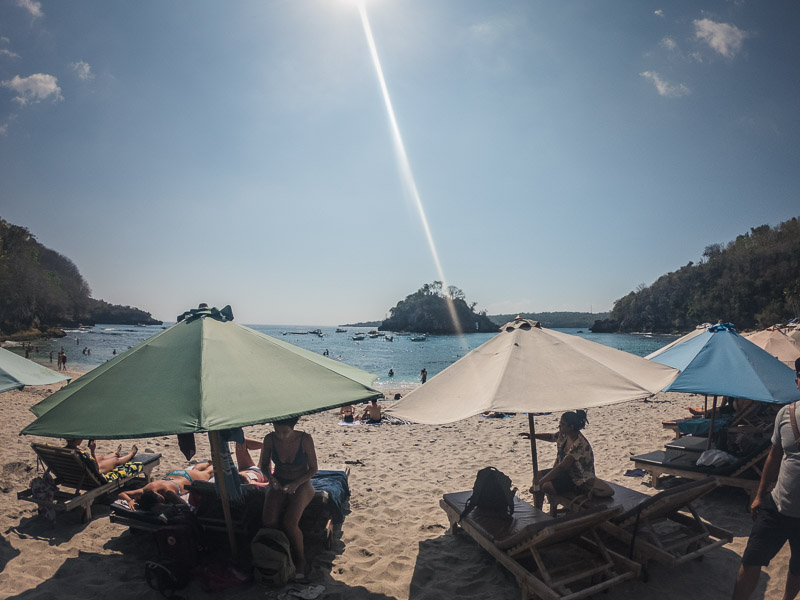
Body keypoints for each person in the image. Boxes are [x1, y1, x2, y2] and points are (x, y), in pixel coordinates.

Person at [731, 359, 800, 600]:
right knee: (751, 559)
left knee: (798, 567)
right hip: (778, 506)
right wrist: (760, 495)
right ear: (798, 382)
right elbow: (774, 456)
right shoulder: (786, 413)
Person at [260, 417, 318, 578]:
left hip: (302, 482)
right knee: (268, 521)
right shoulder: (270, 439)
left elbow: (313, 469)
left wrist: (297, 484)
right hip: (278, 480)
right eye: (278, 431)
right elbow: (263, 465)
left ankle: (301, 560)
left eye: (285, 432)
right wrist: (272, 479)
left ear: (293, 427)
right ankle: (281, 552)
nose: (281, 436)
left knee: (290, 522)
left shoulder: (304, 439)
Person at [520, 410, 595, 497]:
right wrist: (532, 436)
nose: (559, 426)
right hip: (566, 473)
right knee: (538, 475)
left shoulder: (579, 445)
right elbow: (551, 437)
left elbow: (562, 467)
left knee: (546, 486)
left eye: (562, 424)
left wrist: (540, 483)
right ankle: (537, 509)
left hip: (579, 479)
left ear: (571, 427)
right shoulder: (564, 435)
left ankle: (554, 505)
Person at [117, 461, 214, 511]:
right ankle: (207, 463)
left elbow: (183, 505)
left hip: (187, 478)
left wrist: (163, 507)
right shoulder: (145, 490)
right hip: (175, 474)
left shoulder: (167, 492)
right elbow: (122, 494)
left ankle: (211, 463)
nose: (163, 501)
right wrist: (129, 500)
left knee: (208, 473)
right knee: (195, 470)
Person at [64, 439, 139, 475]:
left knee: (101, 457)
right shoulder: (80, 454)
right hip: (91, 473)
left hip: (77, 473)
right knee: (115, 460)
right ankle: (131, 454)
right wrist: (92, 451)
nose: (82, 439)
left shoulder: (63, 450)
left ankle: (115, 453)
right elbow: (95, 467)